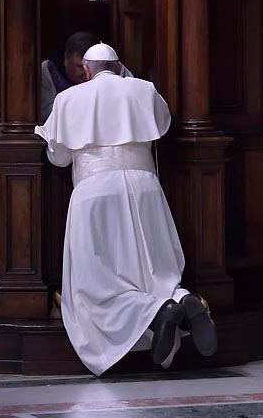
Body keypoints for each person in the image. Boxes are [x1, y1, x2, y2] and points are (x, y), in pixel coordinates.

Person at [35, 42, 217, 376]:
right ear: (119, 67)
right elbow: (162, 126)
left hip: (95, 191)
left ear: (86, 70)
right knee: (153, 267)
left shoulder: (68, 98)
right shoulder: (144, 90)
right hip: (145, 187)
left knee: (97, 282)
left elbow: (58, 157)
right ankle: (180, 299)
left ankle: (162, 311)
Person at [41, 31, 132, 122]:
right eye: (80, 67)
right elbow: (49, 115)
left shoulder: (113, 67)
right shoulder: (49, 71)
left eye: (91, 67)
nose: (86, 72)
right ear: (66, 59)